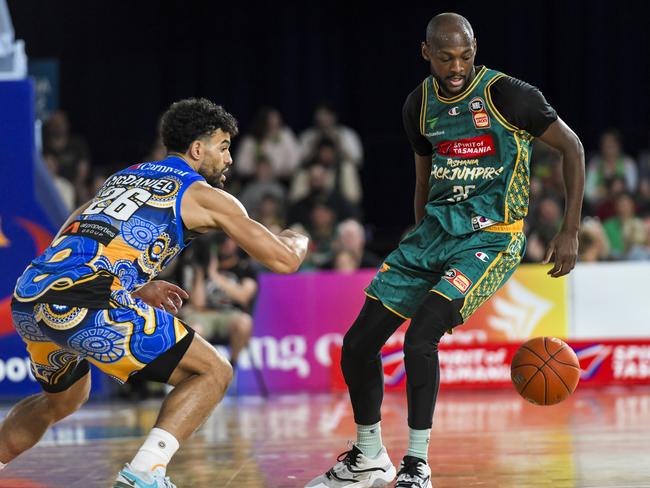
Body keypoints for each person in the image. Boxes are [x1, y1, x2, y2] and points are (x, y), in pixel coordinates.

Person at [305, 13, 584, 488]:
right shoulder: (419, 104)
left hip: (491, 237)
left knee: (420, 338)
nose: (457, 66)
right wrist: (419, 240)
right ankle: (369, 455)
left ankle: (417, 465)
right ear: (426, 52)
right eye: (446, 57)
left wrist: (569, 229)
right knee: (357, 346)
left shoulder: (508, 96)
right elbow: (422, 178)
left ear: (476, 48)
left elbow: (572, 147)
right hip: (432, 235)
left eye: (466, 55)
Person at [1, 98, 308, 488]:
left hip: (31, 294)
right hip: (86, 298)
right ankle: (145, 472)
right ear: (198, 149)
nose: (229, 159)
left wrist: (136, 285)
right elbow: (283, 261)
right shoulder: (203, 194)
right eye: (225, 146)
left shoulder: (124, 177)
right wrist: (298, 238)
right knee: (213, 371)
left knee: (63, 400)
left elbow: (73, 229)